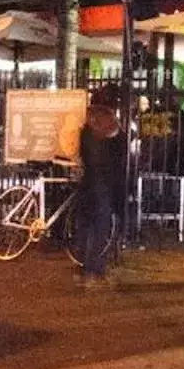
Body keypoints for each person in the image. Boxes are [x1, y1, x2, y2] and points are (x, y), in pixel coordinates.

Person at [75, 95, 130, 285]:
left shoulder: (87, 132)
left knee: (87, 227)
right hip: (105, 186)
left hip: (89, 184)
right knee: (102, 228)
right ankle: (95, 267)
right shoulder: (114, 133)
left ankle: (85, 266)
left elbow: (84, 157)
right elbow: (120, 159)